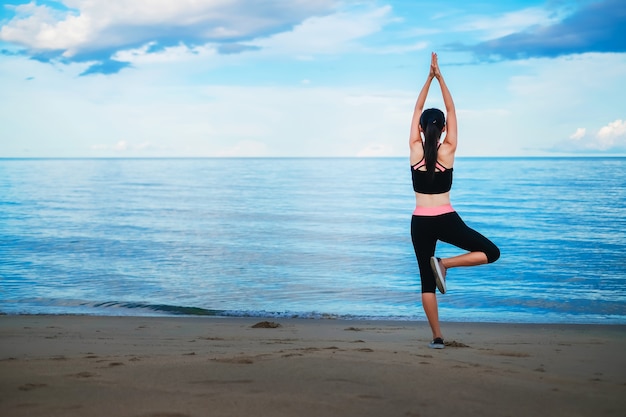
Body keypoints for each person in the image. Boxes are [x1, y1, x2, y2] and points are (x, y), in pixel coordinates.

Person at [409, 52, 500, 349]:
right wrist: (440, 76)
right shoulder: (448, 150)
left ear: (421, 130)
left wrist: (428, 78)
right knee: (490, 252)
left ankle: (437, 338)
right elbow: (451, 107)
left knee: (426, 281)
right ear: (444, 128)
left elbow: (417, 108)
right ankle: (445, 264)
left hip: (420, 222)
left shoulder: (414, 150)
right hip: (447, 219)